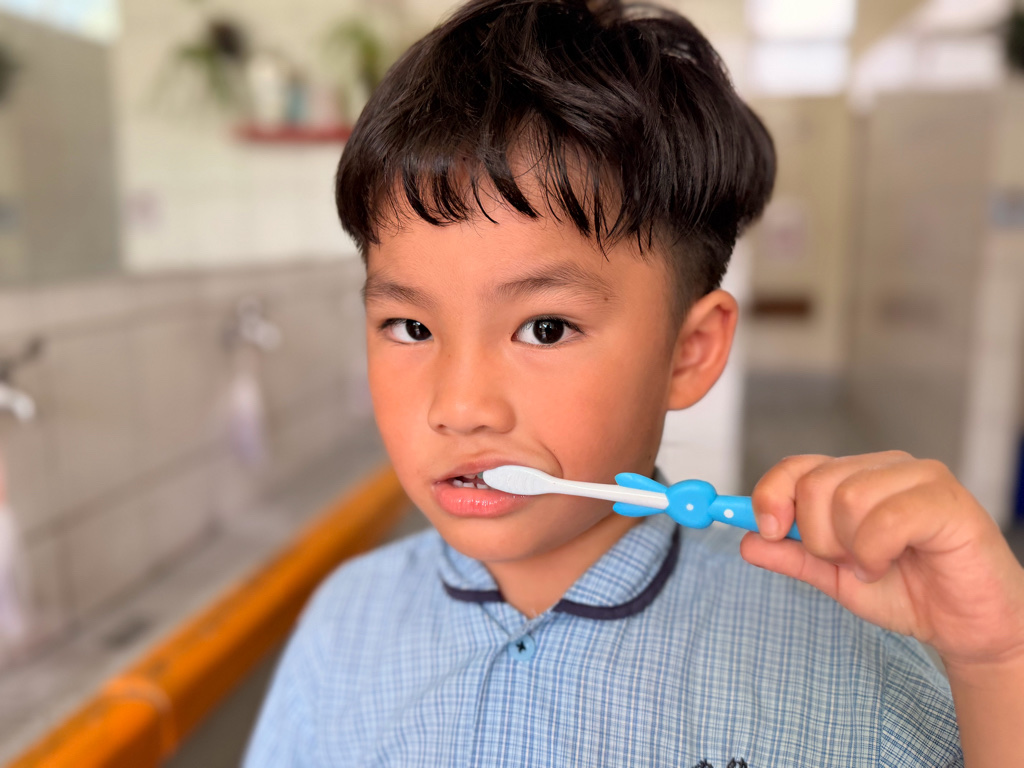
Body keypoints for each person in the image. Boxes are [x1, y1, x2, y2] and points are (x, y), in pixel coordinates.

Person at [244, 0, 1024, 764]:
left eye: (545, 328)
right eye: (411, 328)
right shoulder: (341, 628)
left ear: (689, 353)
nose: (459, 407)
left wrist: (998, 662)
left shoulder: (856, 661)